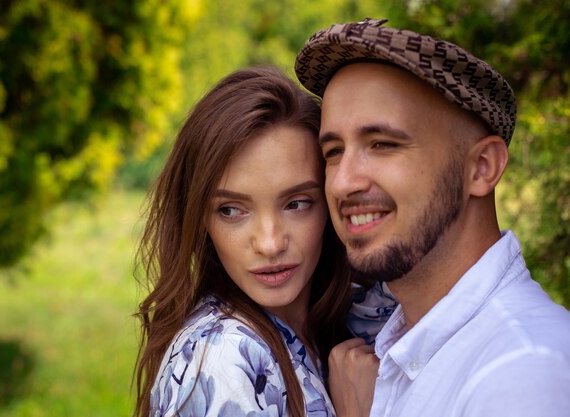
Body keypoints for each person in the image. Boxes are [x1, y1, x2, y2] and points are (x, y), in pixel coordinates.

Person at [294, 18, 570, 417]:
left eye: (383, 144)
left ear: (481, 168)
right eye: (333, 151)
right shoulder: (408, 347)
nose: (341, 183)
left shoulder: (522, 372)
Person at [133, 65, 396, 417]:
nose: (270, 244)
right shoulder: (226, 359)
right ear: (199, 220)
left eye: (297, 204)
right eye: (231, 210)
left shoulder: (353, 312)